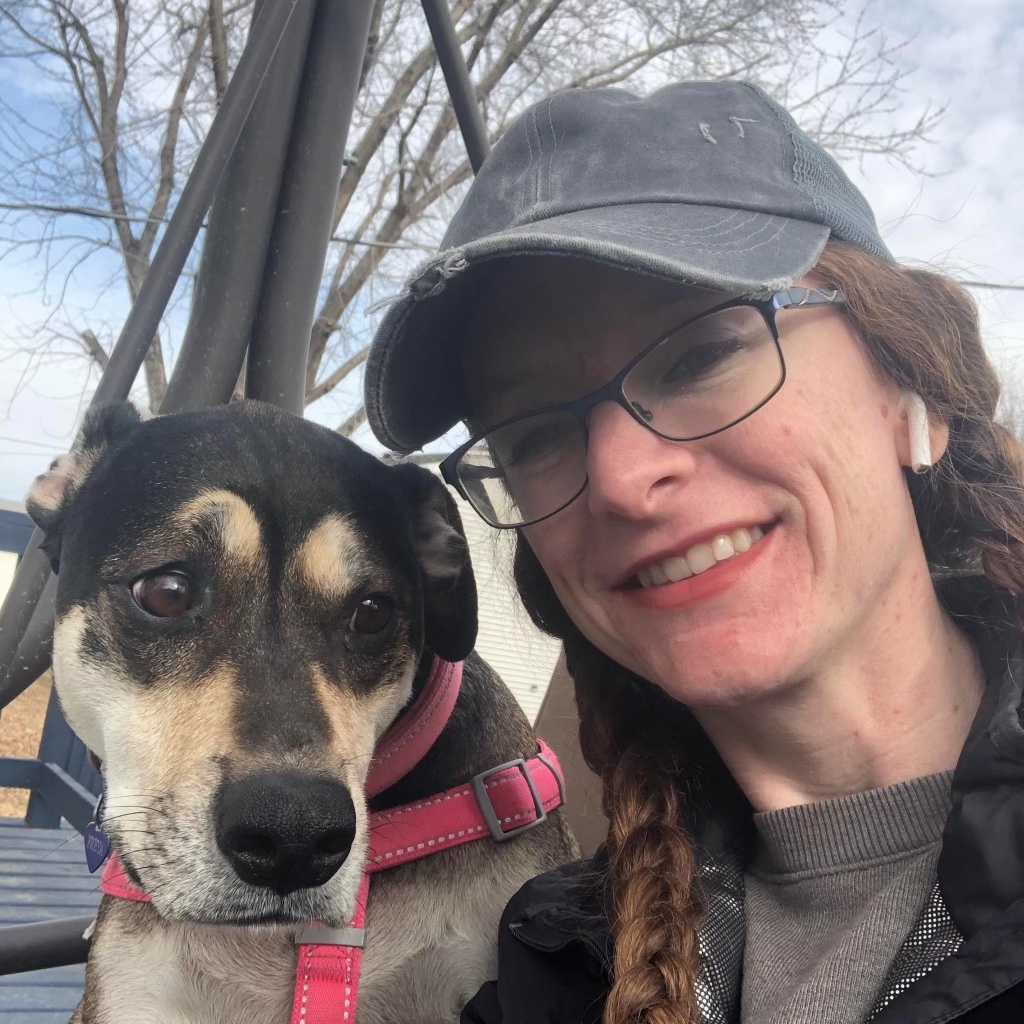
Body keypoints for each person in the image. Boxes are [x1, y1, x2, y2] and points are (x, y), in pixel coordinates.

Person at [362, 80, 1024, 1024]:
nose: (622, 478)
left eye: (703, 355)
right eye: (535, 435)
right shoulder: (556, 968)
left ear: (906, 375)